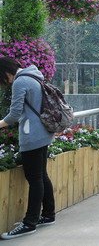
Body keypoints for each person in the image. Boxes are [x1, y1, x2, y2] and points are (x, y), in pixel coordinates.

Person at [0, 58, 55, 240]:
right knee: (41, 175)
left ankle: (29, 223)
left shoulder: (20, 81)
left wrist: (0, 123)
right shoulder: (34, 75)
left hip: (32, 135)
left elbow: (15, 114)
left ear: (6, 72)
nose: (5, 82)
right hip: (44, 132)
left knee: (35, 178)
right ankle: (48, 214)